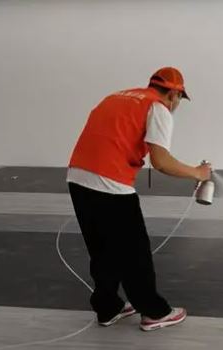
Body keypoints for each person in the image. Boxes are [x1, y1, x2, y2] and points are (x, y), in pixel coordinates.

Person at [67, 67, 211, 332]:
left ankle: (108, 308)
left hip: (77, 176)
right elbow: (161, 161)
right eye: (179, 99)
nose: (177, 105)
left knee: (101, 249)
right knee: (135, 252)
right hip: (110, 182)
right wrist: (197, 173)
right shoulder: (158, 108)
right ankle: (155, 312)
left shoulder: (117, 97)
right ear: (174, 94)